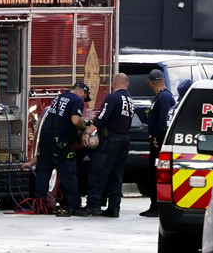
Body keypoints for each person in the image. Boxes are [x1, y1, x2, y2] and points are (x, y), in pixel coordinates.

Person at [23, 82, 92, 217]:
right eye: (84, 97)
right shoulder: (77, 100)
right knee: (68, 173)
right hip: (61, 142)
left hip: (46, 137)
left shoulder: (59, 97)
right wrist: (85, 129)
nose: (83, 100)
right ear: (82, 92)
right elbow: (75, 120)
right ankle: (73, 206)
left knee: (44, 170)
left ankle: (40, 204)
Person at [84, 73, 134, 218]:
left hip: (110, 139)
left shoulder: (113, 97)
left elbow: (102, 117)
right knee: (116, 174)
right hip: (124, 139)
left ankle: (93, 205)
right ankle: (114, 207)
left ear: (114, 83)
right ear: (127, 84)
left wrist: (88, 132)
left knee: (98, 171)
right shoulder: (130, 100)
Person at [141, 69, 175, 218]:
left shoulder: (163, 98)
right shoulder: (163, 96)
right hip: (158, 142)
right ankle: (153, 205)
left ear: (150, 82)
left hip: (158, 145)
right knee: (152, 175)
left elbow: (164, 119)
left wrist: (158, 138)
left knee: (155, 175)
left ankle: (156, 206)